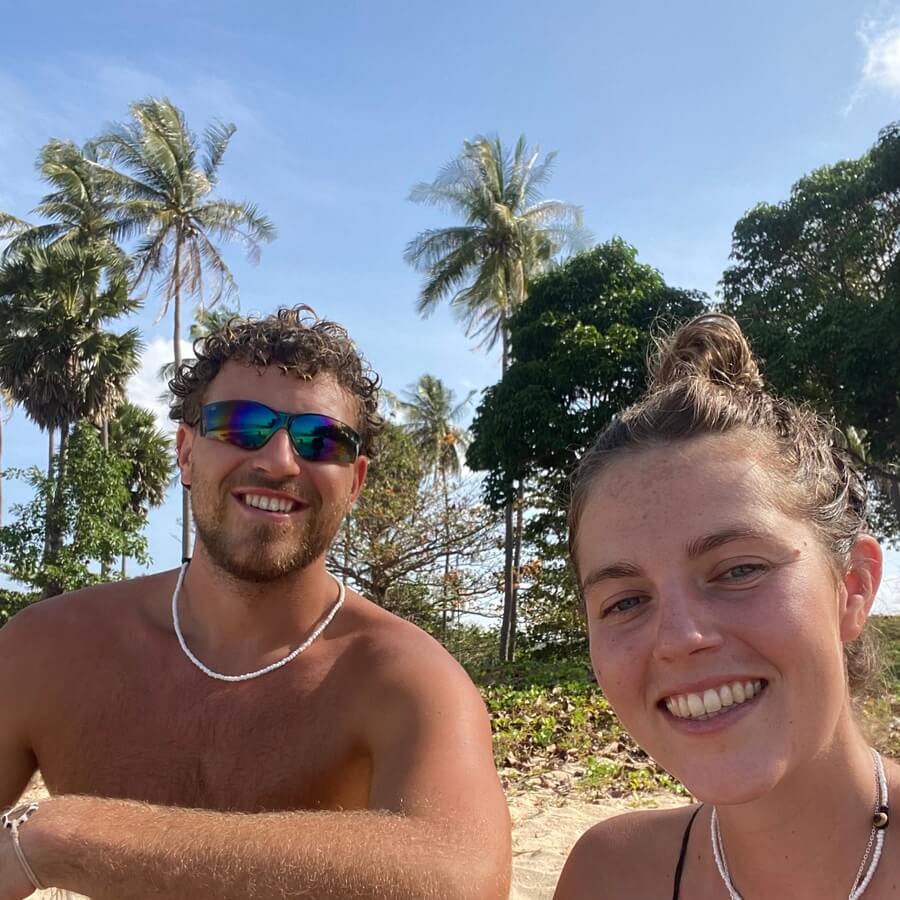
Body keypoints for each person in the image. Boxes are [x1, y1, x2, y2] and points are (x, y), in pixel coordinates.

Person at [0, 306, 511, 900]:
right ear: (186, 453)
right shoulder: (51, 649)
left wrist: (63, 836)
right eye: (241, 425)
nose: (277, 461)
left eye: (321, 439)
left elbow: (461, 877)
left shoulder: (404, 678)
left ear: (356, 481)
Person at [554, 313, 897, 899]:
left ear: (854, 586)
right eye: (626, 601)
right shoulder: (609, 877)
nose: (679, 638)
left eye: (739, 570)